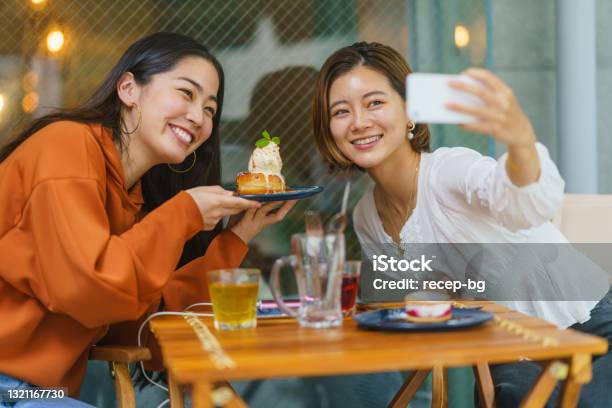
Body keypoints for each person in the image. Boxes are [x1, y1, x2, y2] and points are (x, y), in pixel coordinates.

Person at [0, 32, 294, 407]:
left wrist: (237, 237)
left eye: (210, 109)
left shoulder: (131, 198)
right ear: (128, 89)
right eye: (186, 93)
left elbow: (142, 327)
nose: (198, 117)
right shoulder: (66, 147)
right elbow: (87, 289)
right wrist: (185, 212)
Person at [312, 41, 612, 407]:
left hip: (595, 334)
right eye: (341, 111)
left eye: (375, 102)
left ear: (409, 112)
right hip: (511, 355)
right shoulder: (366, 217)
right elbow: (412, 309)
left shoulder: (449, 171)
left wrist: (520, 142)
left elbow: (524, 202)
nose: (359, 122)